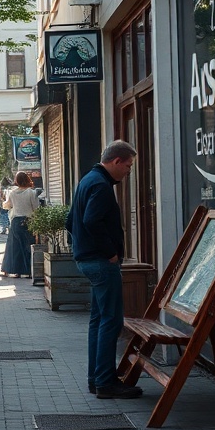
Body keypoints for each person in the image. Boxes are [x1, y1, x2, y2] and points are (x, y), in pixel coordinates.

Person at [67, 139, 142, 400]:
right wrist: (110, 252)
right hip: (101, 262)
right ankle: (106, 383)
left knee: (99, 321)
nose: (129, 171)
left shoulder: (87, 180)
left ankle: (96, 379)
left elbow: (70, 221)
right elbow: (90, 220)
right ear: (116, 161)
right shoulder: (100, 185)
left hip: (87, 259)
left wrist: (84, 247)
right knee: (111, 321)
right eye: (128, 165)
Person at [0, 171, 41, 278]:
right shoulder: (31, 193)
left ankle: (16, 271)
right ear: (27, 179)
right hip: (28, 221)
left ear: (17, 181)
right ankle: (28, 271)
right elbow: (36, 208)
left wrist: (3, 202)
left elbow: (8, 205)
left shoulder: (13, 193)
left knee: (14, 247)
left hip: (16, 222)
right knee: (28, 246)